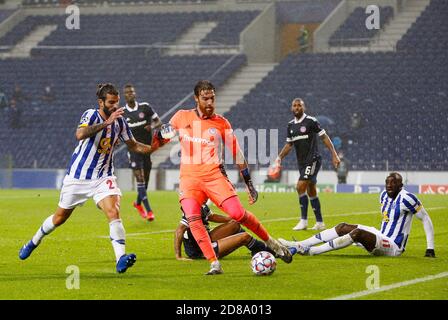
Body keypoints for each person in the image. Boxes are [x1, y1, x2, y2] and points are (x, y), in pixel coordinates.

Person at [18, 83, 155, 273]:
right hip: (78, 177)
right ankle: (33, 241)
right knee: (59, 218)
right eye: (111, 102)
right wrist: (107, 123)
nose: (116, 106)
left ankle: (120, 258)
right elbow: (80, 134)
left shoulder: (120, 121)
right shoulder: (91, 114)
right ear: (101, 102)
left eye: (117, 102)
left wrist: (154, 146)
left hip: (103, 177)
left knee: (113, 212)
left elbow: (133, 145)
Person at [162, 80, 292, 275]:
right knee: (193, 217)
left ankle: (271, 243)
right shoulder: (181, 116)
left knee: (237, 215)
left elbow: (237, 154)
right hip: (189, 179)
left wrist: (249, 184)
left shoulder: (221, 123)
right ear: (196, 99)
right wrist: (156, 137)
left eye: (212, 98)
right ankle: (214, 264)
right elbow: (162, 135)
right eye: (205, 98)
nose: (209, 102)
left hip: (213, 176)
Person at [280, 172, 436, 258]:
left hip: (394, 246)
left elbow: (426, 219)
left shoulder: (408, 198)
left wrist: (430, 248)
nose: (389, 186)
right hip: (381, 235)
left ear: (401, 185)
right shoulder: (383, 195)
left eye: (393, 183)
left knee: (357, 233)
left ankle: (313, 251)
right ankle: (302, 244)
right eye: (387, 183)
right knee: (342, 227)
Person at [272, 98, 340, 231]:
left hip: (313, 159)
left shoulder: (311, 121)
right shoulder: (290, 125)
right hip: (302, 162)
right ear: (291, 108)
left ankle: (303, 221)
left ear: (304, 108)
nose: (297, 107)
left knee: (300, 186)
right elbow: (289, 144)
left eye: (299, 105)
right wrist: (279, 157)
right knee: (311, 190)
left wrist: (334, 154)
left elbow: (324, 137)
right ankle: (320, 222)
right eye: (294, 106)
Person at [174, 204, 277, 261]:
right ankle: (272, 251)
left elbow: (211, 217)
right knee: (245, 237)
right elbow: (179, 230)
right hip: (201, 249)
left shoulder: (201, 203)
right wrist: (178, 256)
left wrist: (229, 219)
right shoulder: (192, 207)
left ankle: (256, 249)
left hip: (206, 237)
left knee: (235, 224)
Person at [123, 84, 162, 221]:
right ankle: (149, 211)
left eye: (132, 92)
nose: (130, 94)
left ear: (135, 93)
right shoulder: (122, 113)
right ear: (124, 96)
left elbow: (158, 122)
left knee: (145, 181)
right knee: (140, 179)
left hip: (147, 149)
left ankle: (138, 203)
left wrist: (151, 126)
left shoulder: (145, 107)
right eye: (127, 93)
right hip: (133, 150)